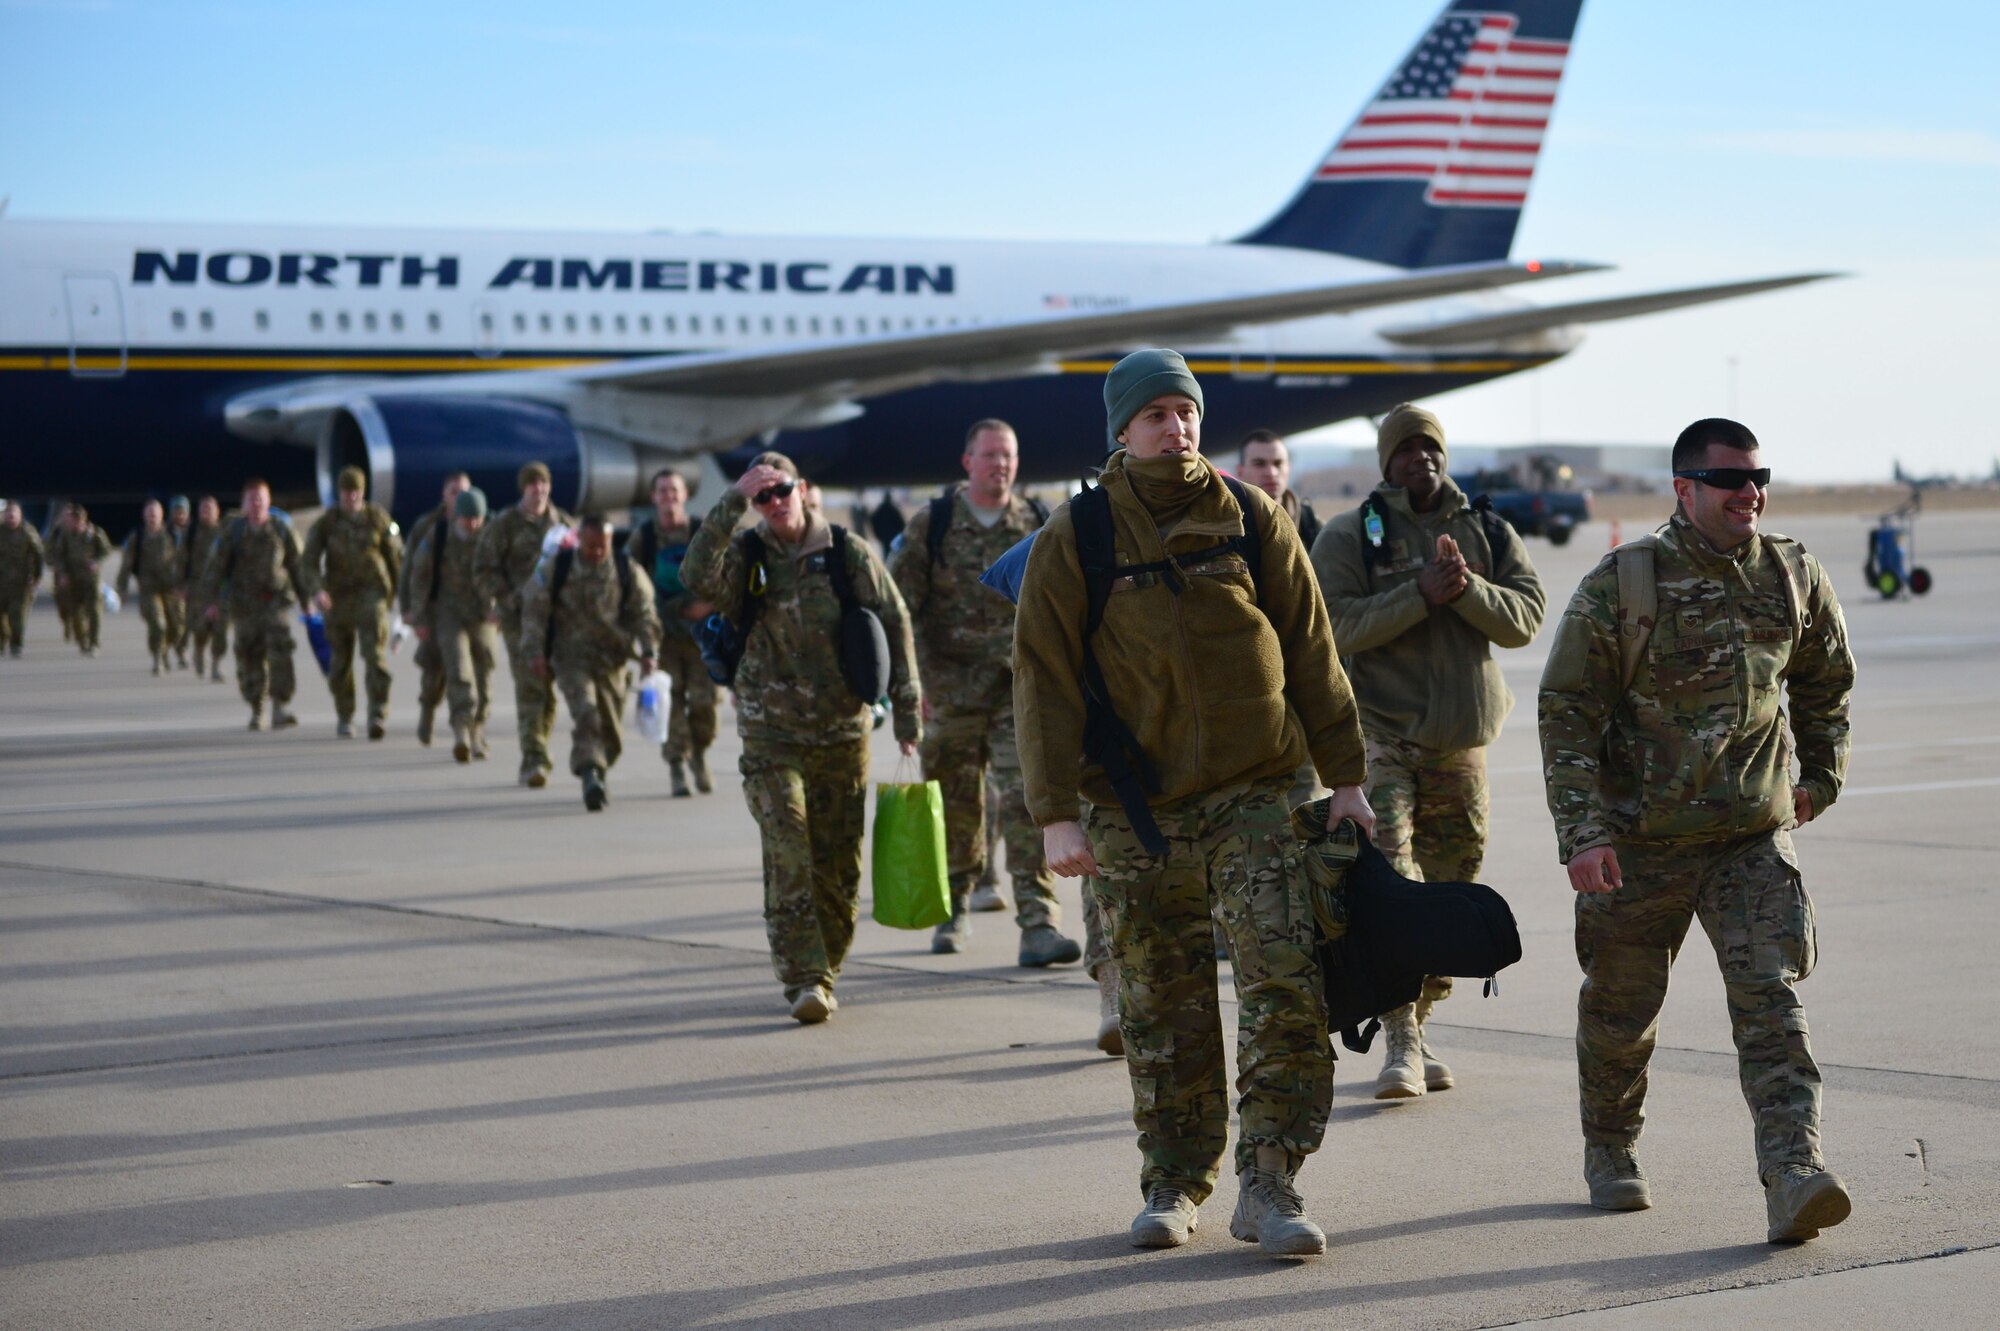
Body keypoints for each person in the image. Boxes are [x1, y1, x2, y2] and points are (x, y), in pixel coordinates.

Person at [1014, 348, 1371, 1258]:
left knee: (1284, 985)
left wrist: (1349, 778)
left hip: (1257, 794)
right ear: (1122, 431)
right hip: (1139, 812)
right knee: (1160, 1000)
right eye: (1157, 414)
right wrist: (1054, 811)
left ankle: (1272, 1180)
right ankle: (1173, 1179)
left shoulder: (1250, 517)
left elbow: (1312, 647)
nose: (1177, 426)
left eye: (1187, 411)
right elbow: (1043, 679)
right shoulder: (1080, 535)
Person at [1538, 417, 1856, 1243]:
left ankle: (1794, 1172)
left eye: (1758, 478)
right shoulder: (1625, 582)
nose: (1749, 493)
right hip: (1639, 845)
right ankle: (1611, 1149)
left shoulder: (1792, 574)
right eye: (1729, 481)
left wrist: (1819, 775)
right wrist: (1584, 832)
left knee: (1773, 1007)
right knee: (1620, 1012)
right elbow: (1567, 710)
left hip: (1750, 838)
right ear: (1684, 489)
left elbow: (1826, 679)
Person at [1311, 403, 1546, 1099]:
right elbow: (1334, 625)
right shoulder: (1353, 534)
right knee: (1396, 885)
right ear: (1387, 461)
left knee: (1448, 889)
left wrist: (1466, 589)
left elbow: (1527, 619)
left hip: (1461, 747)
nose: (1422, 458)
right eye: (1407, 449)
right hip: (1383, 740)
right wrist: (1416, 595)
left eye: (1431, 446)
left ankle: (1419, 1016)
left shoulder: (1487, 529)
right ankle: (1400, 1039)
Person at [682, 451, 921, 1025]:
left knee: (837, 865)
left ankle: (826, 968)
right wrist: (731, 502)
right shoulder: (745, 555)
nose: (774, 502)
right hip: (771, 734)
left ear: (803, 488)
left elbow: (895, 618)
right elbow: (695, 575)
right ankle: (803, 977)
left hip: (842, 733)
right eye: (762, 496)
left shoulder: (845, 552)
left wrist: (908, 712)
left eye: (780, 489)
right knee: (788, 846)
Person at [889, 419, 1078, 967]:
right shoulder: (935, 523)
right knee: (956, 803)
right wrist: (912, 686)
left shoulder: (1040, 522)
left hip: (1017, 688)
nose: (1001, 464)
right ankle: (954, 910)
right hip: (948, 690)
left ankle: (1039, 922)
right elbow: (902, 609)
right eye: (990, 455)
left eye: (1009, 456)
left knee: (1026, 797)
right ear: (967, 461)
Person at [521, 513, 662, 810]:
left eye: (603, 547)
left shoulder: (625, 568)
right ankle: (589, 776)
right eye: (591, 547)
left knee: (610, 727)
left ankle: (598, 768)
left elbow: (644, 612)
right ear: (579, 541)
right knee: (587, 713)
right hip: (571, 658)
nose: (597, 553)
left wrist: (649, 651)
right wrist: (534, 651)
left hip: (613, 659)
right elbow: (534, 611)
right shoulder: (558, 567)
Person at [476, 462, 574, 787]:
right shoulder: (505, 525)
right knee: (530, 685)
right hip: (520, 620)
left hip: (558, 621)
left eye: (544, 483)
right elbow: (484, 570)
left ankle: (539, 746)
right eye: (533, 484)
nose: (539, 490)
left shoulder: (562, 526)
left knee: (547, 691)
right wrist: (507, 599)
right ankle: (534, 759)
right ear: (523, 489)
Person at [625, 469, 718, 796]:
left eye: (674, 491)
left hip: (701, 636)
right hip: (663, 636)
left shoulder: (699, 531)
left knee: (706, 703)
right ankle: (678, 765)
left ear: (684, 495)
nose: (669, 497)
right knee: (671, 702)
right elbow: (628, 583)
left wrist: (709, 604)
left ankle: (700, 755)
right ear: (653, 497)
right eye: (662, 491)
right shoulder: (644, 538)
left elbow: (724, 571)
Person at [198, 479, 308, 731]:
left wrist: (307, 600)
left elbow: (298, 567)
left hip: (274, 604)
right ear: (244, 504)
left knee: (280, 653)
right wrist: (211, 602)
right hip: (244, 606)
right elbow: (215, 569)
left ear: (268, 501)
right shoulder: (233, 532)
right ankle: (257, 708)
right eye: (252, 499)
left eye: (261, 498)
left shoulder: (281, 530)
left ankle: (280, 707)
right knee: (249, 657)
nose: (257, 503)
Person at [302, 467, 403, 739]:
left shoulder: (377, 518)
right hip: (338, 597)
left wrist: (395, 592)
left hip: (372, 593)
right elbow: (309, 560)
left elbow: (395, 553)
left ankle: (377, 713)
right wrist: (316, 591)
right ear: (339, 493)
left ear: (363, 491)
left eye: (356, 492)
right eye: (346, 492)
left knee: (374, 657)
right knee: (340, 662)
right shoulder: (328, 522)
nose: (351, 497)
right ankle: (345, 715)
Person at [406, 488, 498, 764]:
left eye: (477, 519)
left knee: (485, 670)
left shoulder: (491, 537)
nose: (472, 525)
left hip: (482, 613)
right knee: (458, 669)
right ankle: (461, 731)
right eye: (467, 519)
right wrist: (419, 617)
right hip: (449, 612)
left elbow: (505, 573)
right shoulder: (439, 535)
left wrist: (500, 608)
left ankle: (478, 729)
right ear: (457, 517)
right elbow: (418, 575)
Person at [397, 472, 471, 745]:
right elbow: (410, 572)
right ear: (444, 495)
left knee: (465, 668)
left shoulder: (479, 523)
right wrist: (410, 611)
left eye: (464, 491)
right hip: (434, 606)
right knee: (434, 670)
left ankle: (468, 727)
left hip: (469, 612)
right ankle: (428, 711)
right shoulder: (428, 525)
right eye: (454, 491)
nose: (459, 497)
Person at [116, 499, 186, 675]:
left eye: (155, 513)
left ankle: (164, 649)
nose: (152, 517)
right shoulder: (138, 536)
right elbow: (126, 563)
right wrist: (122, 589)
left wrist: (185, 585)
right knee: (158, 624)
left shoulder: (172, 535)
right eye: (149, 514)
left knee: (178, 628)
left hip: (171, 589)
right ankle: (157, 659)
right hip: (149, 589)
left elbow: (183, 561)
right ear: (144, 516)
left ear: (162, 515)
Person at [1238, 430, 1323, 551]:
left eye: (1278, 464)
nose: (1272, 473)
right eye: (1259, 464)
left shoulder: (1313, 526)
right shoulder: (1227, 523)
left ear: (1288, 468)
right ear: (1240, 471)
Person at [48, 503, 113, 655]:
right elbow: (59, 556)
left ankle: (94, 642)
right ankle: (82, 638)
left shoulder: (95, 533)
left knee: (94, 611)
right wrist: (62, 574)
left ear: (81, 520)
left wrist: (96, 562)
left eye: (73, 520)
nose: (70, 523)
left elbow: (106, 550)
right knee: (76, 614)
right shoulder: (65, 536)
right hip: (73, 580)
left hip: (91, 580)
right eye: (69, 520)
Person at [181, 495, 230, 681]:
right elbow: (181, 559)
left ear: (217, 512)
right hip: (198, 589)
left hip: (221, 589)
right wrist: (180, 585)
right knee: (201, 628)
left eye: (210, 509)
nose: (206, 512)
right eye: (203, 509)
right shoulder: (191, 533)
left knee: (221, 628)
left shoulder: (224, 533)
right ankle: (199, 650)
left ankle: (216, 665)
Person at [0, 499, 45, 658]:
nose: (11, 516)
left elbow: (38, 554)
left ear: (20, 515)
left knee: (17, 617)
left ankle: (16, 645)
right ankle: (2, 641)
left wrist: (37, 577)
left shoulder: (27, 532)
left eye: (14, 513)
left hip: (20, 584)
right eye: (8, 513)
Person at [163, 496, 194, 668]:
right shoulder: (164, 532)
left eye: (182, 512)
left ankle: (181, 649)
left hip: (189, 582)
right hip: (169, 583)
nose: (179, 515)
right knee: (170, 620)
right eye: (176, 512)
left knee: (186, 621)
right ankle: (166, 650)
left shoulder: (194, 531)